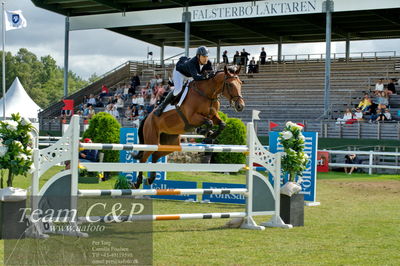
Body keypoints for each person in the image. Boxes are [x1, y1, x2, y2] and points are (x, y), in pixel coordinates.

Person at [153, 46, 213, 116]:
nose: (205, 59)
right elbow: (196, 77)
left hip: (190, 75)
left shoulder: (208, 63)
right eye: (203, 56)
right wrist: (207, 76)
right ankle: (161, 106)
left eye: (207, 56)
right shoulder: (192, 62)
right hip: (180, 73)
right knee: (178, 90)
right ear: (198, 56)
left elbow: (211, 74)